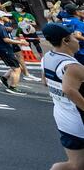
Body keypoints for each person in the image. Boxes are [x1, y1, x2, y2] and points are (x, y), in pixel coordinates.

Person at [41, 23, 84, 170]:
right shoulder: (72, 67)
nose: (78, 40)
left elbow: (45, 82)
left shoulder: (47, 57)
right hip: (78, 119)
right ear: (66, 40)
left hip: (62, 116)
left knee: (75, 165)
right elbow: (68, 89)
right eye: (73, 37)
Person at [0, 9, 26, 94]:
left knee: (17, 67)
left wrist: (6, 29)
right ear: (1, 17)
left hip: (0, 48)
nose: (8, 17)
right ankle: (12, 87)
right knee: (17, 69)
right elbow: (6, 40)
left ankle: (4, 78)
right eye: (5, 16)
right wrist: (21, 42)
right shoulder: (0, 27)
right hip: (5, 49)